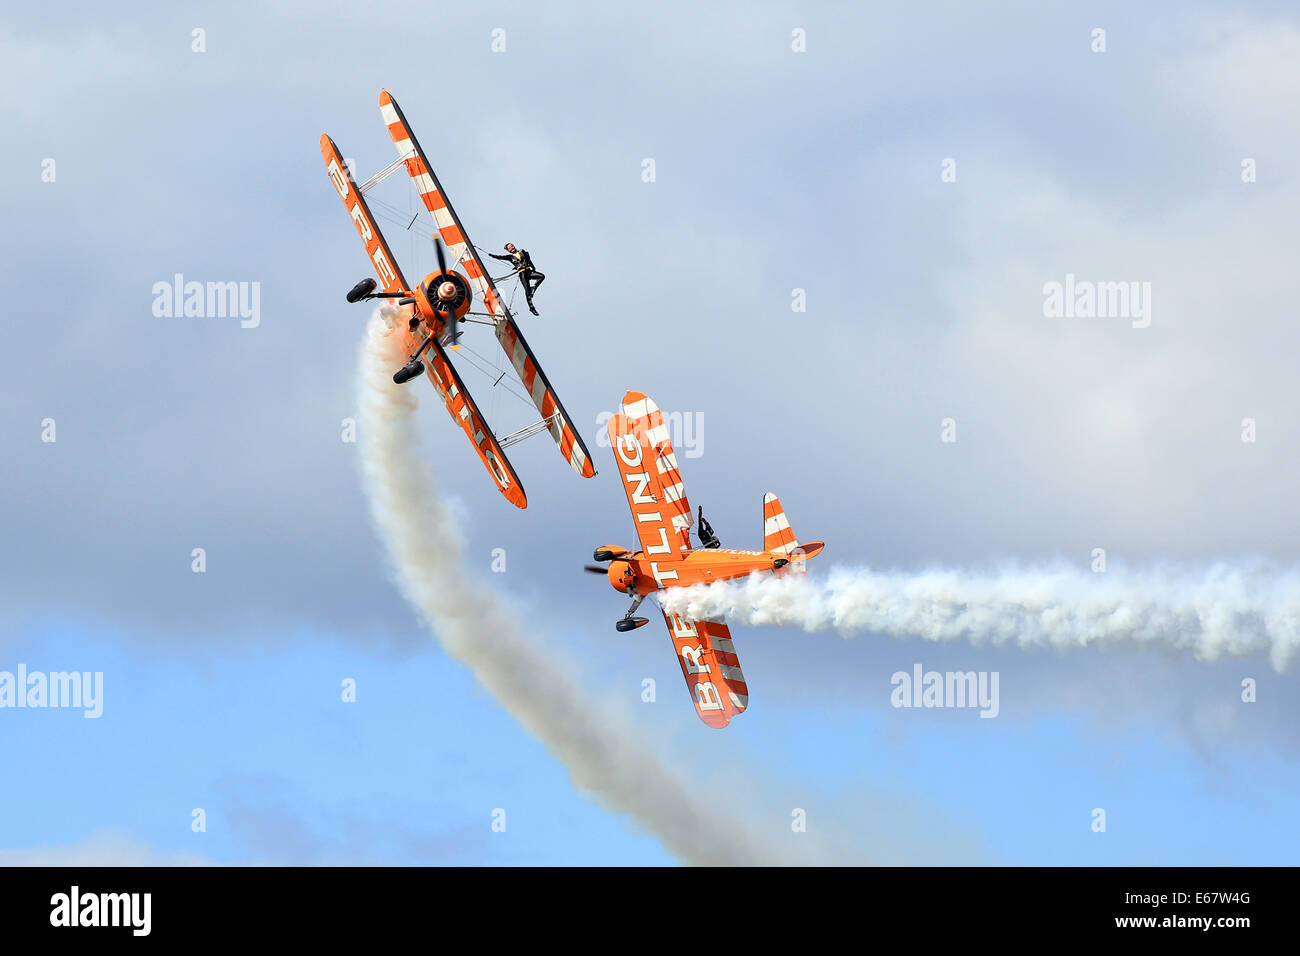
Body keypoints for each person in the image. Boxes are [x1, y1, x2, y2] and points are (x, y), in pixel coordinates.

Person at [488, 243, 546, 316]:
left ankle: (533, 287)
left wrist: (533, 268)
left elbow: (529, 260)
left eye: (512, 246)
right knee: (527, 292)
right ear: (508, 250)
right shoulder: (509, 257)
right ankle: (531, 307)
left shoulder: (522, 251)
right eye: (510, 247)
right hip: (522, 274)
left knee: (542, 276)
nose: (512, 247)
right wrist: (492, 255)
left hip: (528, 271)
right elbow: (500, 257)